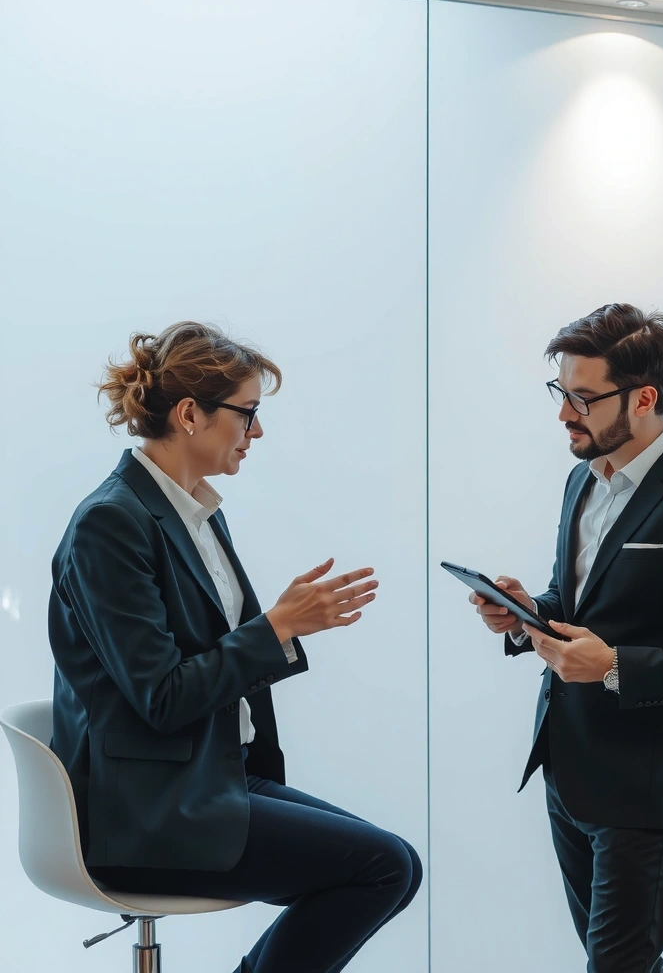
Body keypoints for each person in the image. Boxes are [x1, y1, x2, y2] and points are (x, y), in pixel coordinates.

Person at [49, 321, 420, 973]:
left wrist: (282, 626)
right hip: (146, 810)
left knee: (399, 863)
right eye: (248, 414)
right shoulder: (110, 524)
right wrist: (276, 626)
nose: (258, 432)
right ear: (191, 414)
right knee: (382, 867)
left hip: (212, 775)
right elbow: (162, 698)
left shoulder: (197, 513)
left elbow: (215, 660)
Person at [468, 303, 663, 973]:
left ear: (644, 398)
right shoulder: (582, 478)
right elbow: (575, 603)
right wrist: (524, 616)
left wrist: (614, 668)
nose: (564, 414)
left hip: (644, 787)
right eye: (560, 393)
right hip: (567, 771)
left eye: (582, 397)